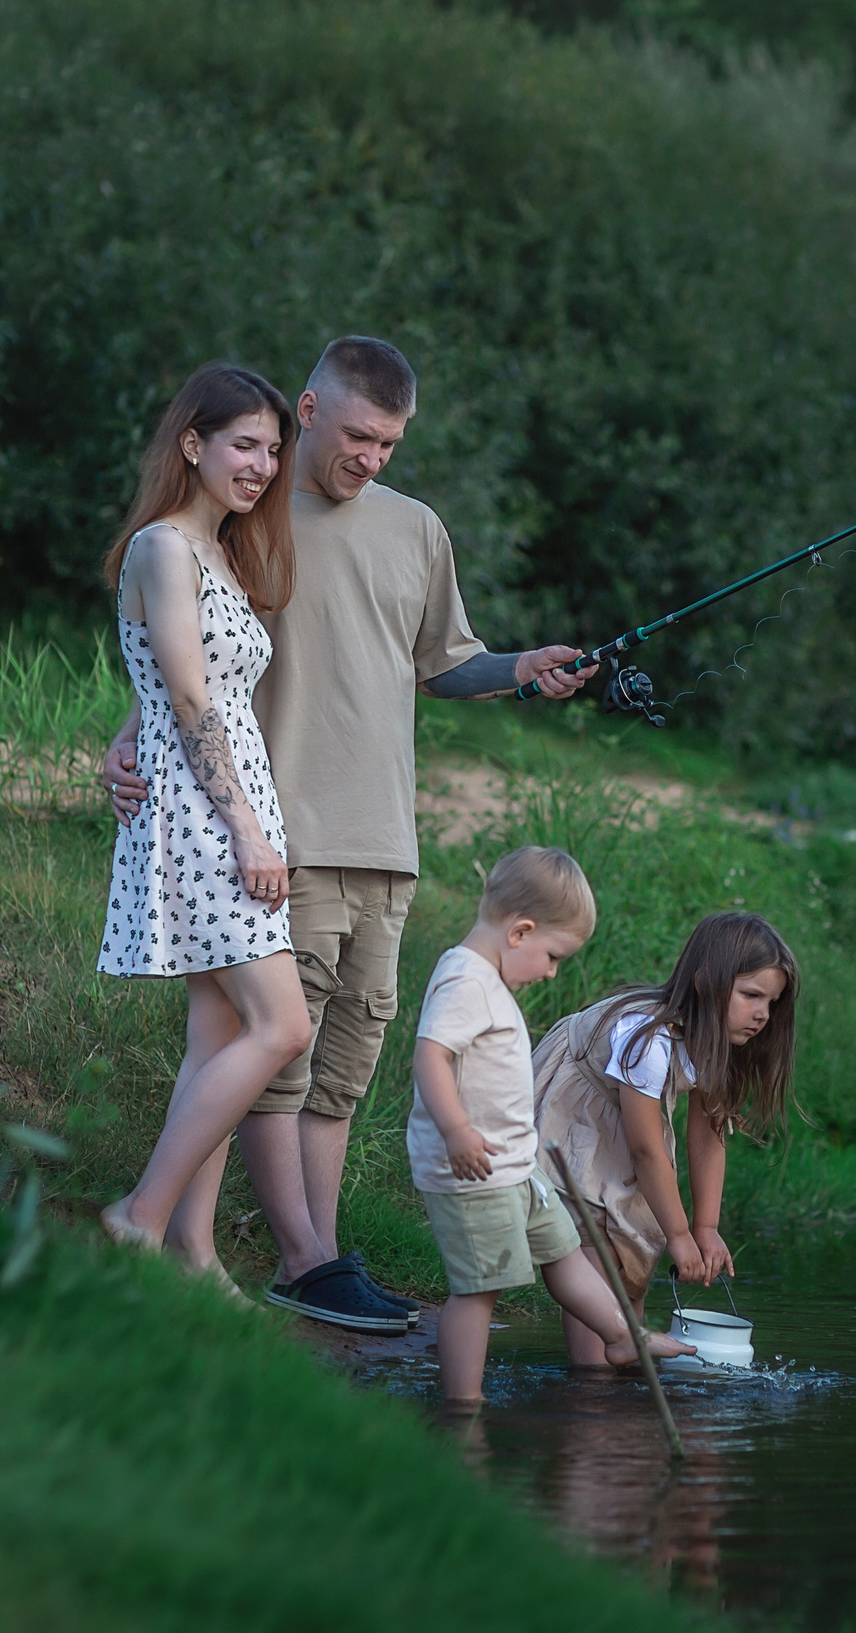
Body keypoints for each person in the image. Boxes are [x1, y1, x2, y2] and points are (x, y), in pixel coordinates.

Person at [103, 335, 596, 1330]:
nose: (371, 457)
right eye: (360, 434)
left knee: (337, 1056)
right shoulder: (247, 511)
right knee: (275, 1039)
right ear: (309, 409)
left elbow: (441, 663)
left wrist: (519, 668)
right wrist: (133, 740)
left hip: (383, 838)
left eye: (391, 443)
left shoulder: (410, 530)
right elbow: (180, 660)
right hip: (268, 825)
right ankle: (288, 1254)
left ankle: (254, 1256)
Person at [91, 362, 389, 1329]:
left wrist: (132, 732)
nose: (261, 465)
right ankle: (140, 1215)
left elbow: (173, 686)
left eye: (272, 448)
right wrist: (252, 830)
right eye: (242, 445)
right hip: (206, 818)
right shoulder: (164, 548)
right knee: (285, 1027)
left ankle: (194, 1248)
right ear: (193, 444)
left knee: (217, 1037)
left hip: (224, 800)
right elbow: (186, 694)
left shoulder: (217, 550)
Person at [408, 845, 694, 1404]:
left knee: (565, 1253)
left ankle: (622, 1337)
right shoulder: (465, 980)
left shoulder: (490, 979)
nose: (552, 971)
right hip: (475, 1170)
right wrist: (457, 1130)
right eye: (553, 956)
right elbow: (430, 1056)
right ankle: (463, 1405)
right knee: (480, 1288)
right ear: (520, 931)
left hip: (516, 1167)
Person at [531, 911, 800, 1367]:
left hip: (625, 1124)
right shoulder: (648, 1040)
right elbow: (646, 1150)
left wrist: (705, 1228)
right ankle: (591, 1382)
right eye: (751, 995)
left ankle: (624, 1354)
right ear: (705, 983)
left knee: (629, 1250)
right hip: (575, 1115)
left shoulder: (715, 1040)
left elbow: (707, 1137)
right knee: (593, 1238)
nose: (762, 1014)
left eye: (771, 1003)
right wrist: (679, 1235)